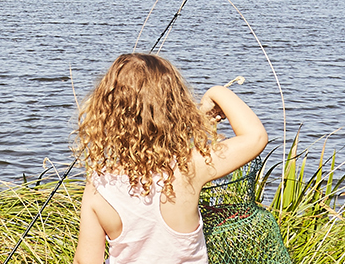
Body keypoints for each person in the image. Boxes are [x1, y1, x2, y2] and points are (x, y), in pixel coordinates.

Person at [72, 53, 269, 264]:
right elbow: (255, 137)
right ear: (176, 109)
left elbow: (85, 261)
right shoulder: (189, 168)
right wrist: (217, 92)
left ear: (107, 114)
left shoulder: (99, 188)